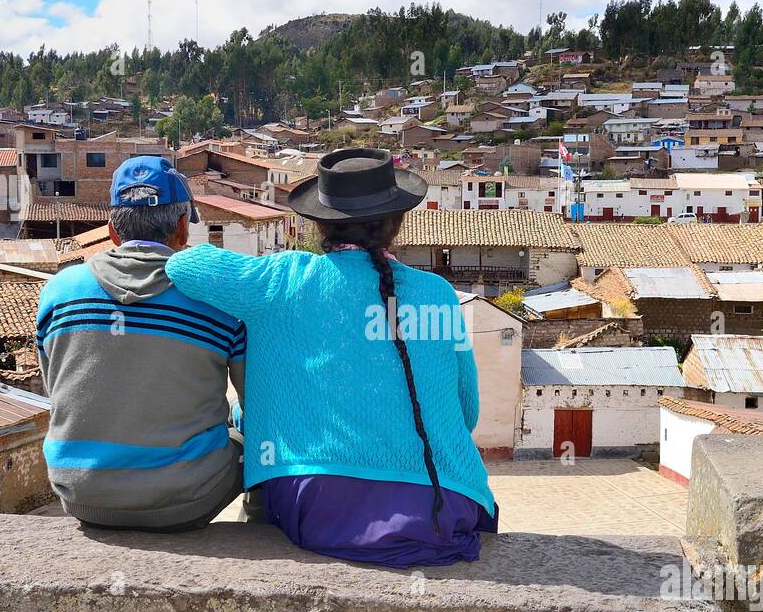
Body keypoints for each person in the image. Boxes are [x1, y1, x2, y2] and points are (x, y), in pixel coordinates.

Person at [163, 147, 497, 568]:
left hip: (315, 502)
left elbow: (186, 265)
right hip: (443, 499)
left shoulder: (281, 279)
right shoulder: (438, 295)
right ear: (396, 222)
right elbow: (466, 412)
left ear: (320, 223)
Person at [36, 155, 248, 530]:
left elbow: (55, 387)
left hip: (81, 496)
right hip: (187, 500)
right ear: (182, 229)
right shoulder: (218, 301)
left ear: (112, 231)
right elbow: (255, 402)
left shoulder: (59, 291)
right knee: (248, 441)